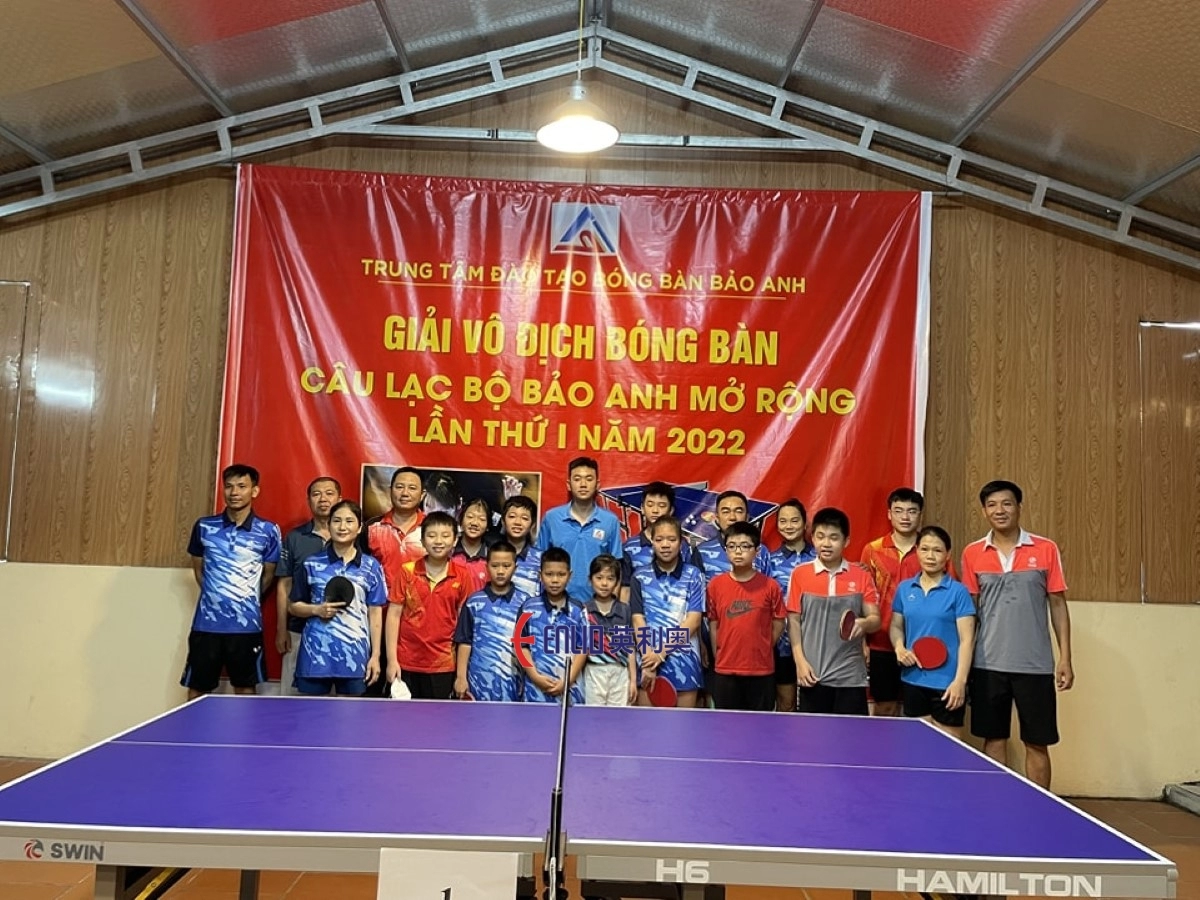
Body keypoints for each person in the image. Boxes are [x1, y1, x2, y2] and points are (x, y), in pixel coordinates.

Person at [960, 480, 1072, 789]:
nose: (1000, 510)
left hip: (1035, 665)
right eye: (992, 505)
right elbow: (969, 613)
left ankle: (1040, 806)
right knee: (993, 738)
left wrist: (1065, 658)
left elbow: (1058, 605)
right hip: (987, 664)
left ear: (1019, 507)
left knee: (1037, 741)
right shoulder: (972, 553)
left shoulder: (1045, 549)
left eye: (1007, 503)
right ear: (984, 511)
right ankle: (997, 805)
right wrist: (963, 665)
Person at [182, 464, 281, 699]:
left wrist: (244, 599)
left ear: (254, 491)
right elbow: (199, 571)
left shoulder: (269, 531)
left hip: (246, 626)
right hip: (206, 625)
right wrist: (218, 596)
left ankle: (244, 728)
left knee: (245, 687)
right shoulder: (204, 526)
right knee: (198, 688)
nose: (234, 492)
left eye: (241, 486)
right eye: (229, 486)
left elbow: (268, 576)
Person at [786, 507, 880, 716]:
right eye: (820, 537)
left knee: (851, 734)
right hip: (813, 674)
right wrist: (800, 662)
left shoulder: (861, 576)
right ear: (813, 538)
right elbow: (793, 621)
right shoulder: (800, 574)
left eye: (834, 538)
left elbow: (875, 619)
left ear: (846, 541)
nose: (826, 543)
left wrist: (865, 623)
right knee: (812, 735)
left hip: (850, 676)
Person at [288, 500, 387, 696]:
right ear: (329, 525)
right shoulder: (311, 563)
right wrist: (316, 610)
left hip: (355, 656)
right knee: (312, 713)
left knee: (351, 714)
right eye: (336, 521)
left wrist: (375, 656)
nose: (342, 527)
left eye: (349, 521)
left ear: (359, 528)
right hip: (316, 656)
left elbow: (375, 614)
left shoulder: (371, 567)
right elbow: (293, 606)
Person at [890, 525, 976, 738]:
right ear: (917, 551)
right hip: (913, 679)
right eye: (925, 549)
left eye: (937, 550)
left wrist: (960, 682)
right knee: (916, 745)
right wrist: (899, 647)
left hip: (947, 683)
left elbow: (967, 640)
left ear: (948, 555)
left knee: (948, 747)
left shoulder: (958, 592)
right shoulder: (905, 589)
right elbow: (896, 626)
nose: (930, 556)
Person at [385, 511, 478, 699]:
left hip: (444, 664)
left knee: (439, 716)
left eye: (445, 536)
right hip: (406, 662)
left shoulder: (462, 575)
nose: (438, 541)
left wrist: (461, 674)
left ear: (454, 540)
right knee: (402, 716)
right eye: (432, 535)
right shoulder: (407, 572)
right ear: (422, 540)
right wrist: (392, 660)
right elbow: (393, 616)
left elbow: (464, 626)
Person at [860, 488, 934, 717]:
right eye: (899, 510)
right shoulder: (872, 550)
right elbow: (862, 599)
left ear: (920, 514)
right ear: (889, 514)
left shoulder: (931, 550)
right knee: (885, 707)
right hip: (881, 643)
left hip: (922, 642)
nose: (905, 517)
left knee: (920, 712)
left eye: (912, 511)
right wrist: (863, 643)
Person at [628, 516, 706, 708]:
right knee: (647, 725)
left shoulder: (694, 576)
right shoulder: (639, 577)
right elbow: (638, 620)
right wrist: (649, 660)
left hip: (686, 662)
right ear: (652, 542)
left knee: (684, 725)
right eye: (659, 539)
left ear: (681, 542)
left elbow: (693, 621)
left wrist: (660, 654)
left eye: (671, 539)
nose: (665, 545)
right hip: (648, 662)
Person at [707, 522, 786, 711]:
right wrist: (720, 655)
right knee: (726, 725)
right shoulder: (715, 585)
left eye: (745, 546)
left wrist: (762, 645)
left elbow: (779, 622)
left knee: (759, 725)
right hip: (725, 670)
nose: (738, 552)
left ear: (757, 551)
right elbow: (714, 624)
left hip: (761, 671)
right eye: (732, 546)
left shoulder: (770, 586)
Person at [275, 476, 341, 695]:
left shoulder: (352, 537)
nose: (323, 499)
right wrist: (282, 629)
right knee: (294, 700)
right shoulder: (295, 538)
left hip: (340, 633)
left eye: (329, 493)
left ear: (339, 499)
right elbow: (284, 585)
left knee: (335, 703)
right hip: (299, 630)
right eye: (316, 494)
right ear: (308, 500)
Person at [536, 457, 622, 602]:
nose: (583, 484)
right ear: (569, 485)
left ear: (597, 484)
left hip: (596, 604)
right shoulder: (551, 518)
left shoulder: (610, 521)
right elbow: (539, 559)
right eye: (577, 479)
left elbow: (617, 566)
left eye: (589, 479)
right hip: (557, 602)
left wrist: (612, 607)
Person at [453, 541, 529, 702]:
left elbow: (528, 645)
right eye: (495, 566)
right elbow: (465, 642)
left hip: (514, 684)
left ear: (515, 568)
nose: (500, 571)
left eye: (506, 566)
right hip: (478, 683)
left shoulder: (526, 603)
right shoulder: (474, 602)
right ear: (486, 567)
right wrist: (461, 677)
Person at [518, 548, 588, 704]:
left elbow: (583, 649)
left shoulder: (579, 610)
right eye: (549, 574)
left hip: (571, 690)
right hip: (535, 691)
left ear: (570, 575)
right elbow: (520, 646)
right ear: (540, 575)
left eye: (561, 574)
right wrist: (535, 676)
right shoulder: (527, 608)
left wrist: (568, 681)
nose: (555, 580)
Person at [767, 499, 816, 712]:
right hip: (782, 644)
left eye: (794, 520)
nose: (789, 526)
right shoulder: (769, 560)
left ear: (805, 523)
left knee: (813, 706)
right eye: (783, 521)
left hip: (815, 642)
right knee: (785, 704)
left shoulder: (820, 556)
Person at [619, 481, 691, 601]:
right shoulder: (628, 548)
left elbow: (690, 584)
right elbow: (625, 589)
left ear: (671, 510)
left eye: (662, 506)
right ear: (642, 508)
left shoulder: (682, 546)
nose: (655, 510)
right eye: (650, 505)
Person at [582, 554, 638, 706]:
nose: (604, 583)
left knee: (618, 717)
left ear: (617, 582)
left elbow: (630, 648)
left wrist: (633, 680)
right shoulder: (584, 611)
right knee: (593, 717)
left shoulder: (625, 610)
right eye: (599, 578)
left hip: (620, 673)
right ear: (590, 580)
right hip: (593, 672)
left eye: (610, 578)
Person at [368, 466, 427, 593]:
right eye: (399, 487)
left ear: (422, 495)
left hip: (424, 602)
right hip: (382, 602)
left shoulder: (432, 527)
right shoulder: (372, 527)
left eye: (412, 488)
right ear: (390, 491)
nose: (405, 493)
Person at [693, 490, 771, 578]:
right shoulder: (702, 551)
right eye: (726, 512)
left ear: (747, 517)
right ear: (717, 518)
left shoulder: (761, 551)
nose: (732, 517)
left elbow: (769, 585)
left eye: (738, 511)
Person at [501, 495, 543, 599]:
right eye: (512, 516)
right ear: (503, 521)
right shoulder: (492, 555)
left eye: (524, 518)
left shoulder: (541, 559)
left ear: (533, 525)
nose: (517, 522)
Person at [452, 497, 493, 585]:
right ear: (461, 521)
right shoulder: (449, 550)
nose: (474, 523)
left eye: (482, 519)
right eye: (470, 517)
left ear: (488, 526)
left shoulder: (492, 556)